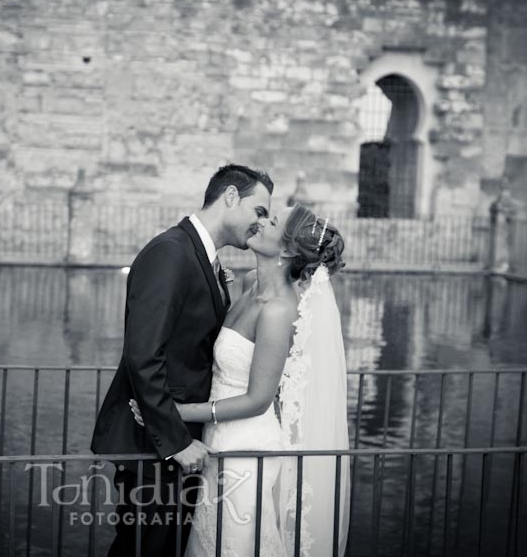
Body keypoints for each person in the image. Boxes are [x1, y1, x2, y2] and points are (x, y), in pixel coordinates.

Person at [130, 204, 350, 556]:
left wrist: (175, 412)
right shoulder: (248, 283)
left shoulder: (279, 310)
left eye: (272, 222)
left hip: (249, 451)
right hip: (217, 442)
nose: (260, 222)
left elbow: (258, 400)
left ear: (290, 249)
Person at [91, 164, 273, 557]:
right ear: (229, 196)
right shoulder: (171, 252)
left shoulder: (200, 256)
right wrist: (175, 442)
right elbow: (143, 355)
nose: (261, 224)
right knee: (143, 549)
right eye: (259, 210)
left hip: (180, 442)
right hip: (154, 447)